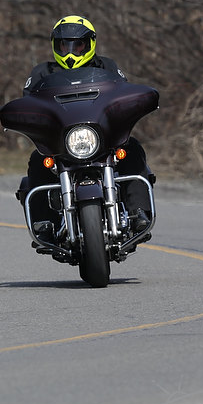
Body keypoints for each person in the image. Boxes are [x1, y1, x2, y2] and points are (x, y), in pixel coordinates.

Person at [18, 15, 154, 240]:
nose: (70, 52)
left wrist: (134, 105)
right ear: (55, 46)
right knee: (38, 160)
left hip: (103, 138)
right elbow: (28, 104)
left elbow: (124, 96)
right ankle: (44, 223)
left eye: (78, 45)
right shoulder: (41, 73)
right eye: (64, 45)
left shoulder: (107, 66)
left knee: (132, 149)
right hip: (60, 143)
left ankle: (138, 211)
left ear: (90, 44)